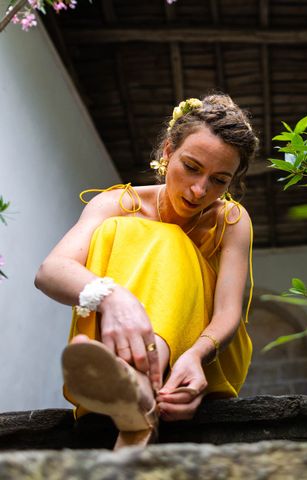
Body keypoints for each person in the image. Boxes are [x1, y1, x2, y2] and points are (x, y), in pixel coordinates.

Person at [34, 93, 259, 448]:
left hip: (203, 358)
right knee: (117, 230)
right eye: (192, 167)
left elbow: (229, 312)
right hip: (115, 350)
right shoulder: (116, 204)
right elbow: (51, 270)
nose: (200, 190)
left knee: (168, 237)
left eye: (219, 180)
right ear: (168, 152)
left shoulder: (231, 220)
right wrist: (114, 297)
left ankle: (139, 383)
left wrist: (197, 355)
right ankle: (135, 397)